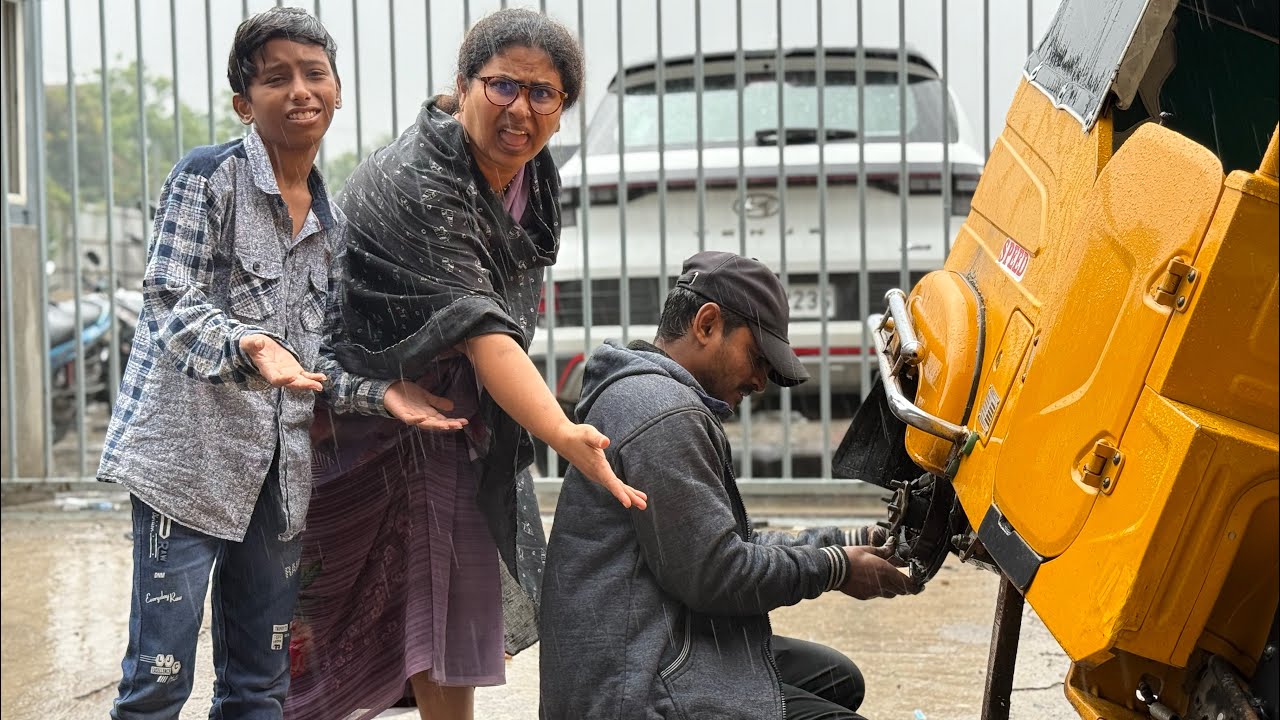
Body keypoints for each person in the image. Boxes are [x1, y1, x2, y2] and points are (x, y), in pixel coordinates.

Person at [96, 7, 464, 719]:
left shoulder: (335, 226)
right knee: (159, 678)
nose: (300, 90)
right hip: (185, 468)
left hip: (279, 476)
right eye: (276, 78)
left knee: (261, 685)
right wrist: (251, 345)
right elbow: (171, 301)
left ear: (336, 91)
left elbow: (322, 356)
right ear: (245, 102)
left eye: (314, 74)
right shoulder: (205, 179)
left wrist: (381, 392)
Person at [282, 9, 646, 720]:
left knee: (445, 618)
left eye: (545, 95)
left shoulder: (533, 174)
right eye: (504, 85)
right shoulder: (418, 177)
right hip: (365, 411)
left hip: (453, 415)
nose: (522, 110)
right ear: (464, 85)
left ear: (564, 110)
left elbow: (498, 311)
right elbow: (480, 324)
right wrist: (563, 432)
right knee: (344, 634)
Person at [539, 251, 921, 720]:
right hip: (630, 689)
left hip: (649, 642)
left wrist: (847, 542)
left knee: (838, 677)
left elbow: (722, 544)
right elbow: (719, 575)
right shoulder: (665, 415)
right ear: (706, 324)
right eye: (757, 357)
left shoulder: (653, 393)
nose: (761, 381)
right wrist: (835, 569)